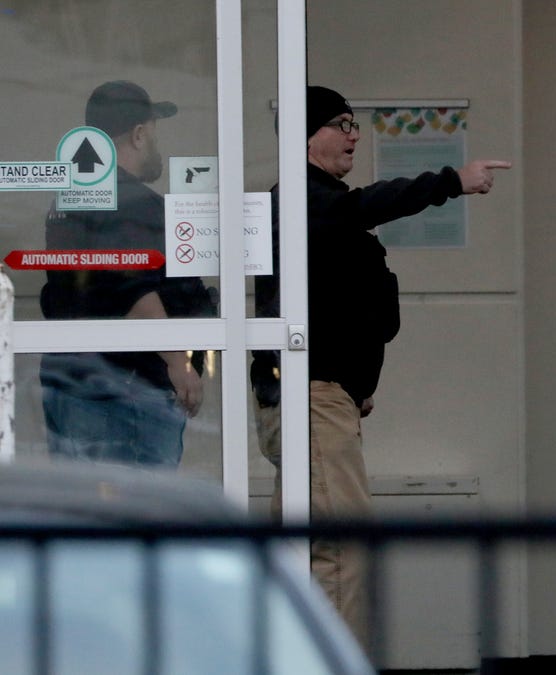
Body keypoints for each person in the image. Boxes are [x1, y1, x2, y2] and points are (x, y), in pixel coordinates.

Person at [250, 85, 510, 650]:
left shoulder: (318, 207)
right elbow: (365, 206)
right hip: (311, 400)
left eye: (354, 123)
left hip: (323, 397)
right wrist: (450, 182)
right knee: (339, 549)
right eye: (342, 123)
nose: (354, 134)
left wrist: (356, 383)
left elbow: (341, 306)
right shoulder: (302, 201)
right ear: (307, 134)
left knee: (306, 549)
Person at [40, 80, 216, 467]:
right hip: (126, 394)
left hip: (74, 387)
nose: (156, 142)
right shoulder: (129, 198)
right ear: (139, 134)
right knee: (136, 516)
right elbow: (130, 283)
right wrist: (178, 362)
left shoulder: (71, 198)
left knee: (87, 519)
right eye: (154, 130)